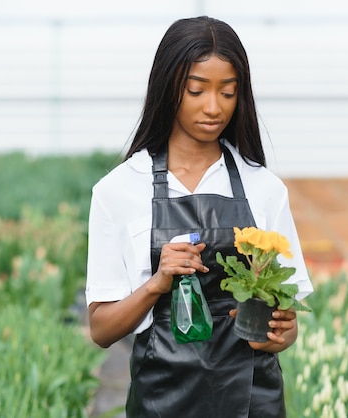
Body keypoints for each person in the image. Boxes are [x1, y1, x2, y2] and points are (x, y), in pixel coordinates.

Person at [85, 16, 313, 418]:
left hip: (251, 400)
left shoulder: (264, 188)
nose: (214, 107)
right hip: (161, 400)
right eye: (196, 90)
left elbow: (288, 323)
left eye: (228, 92)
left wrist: (279, 335)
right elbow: (102, 330)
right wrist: (157, 284)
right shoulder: (118, 191)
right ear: (168, 87)